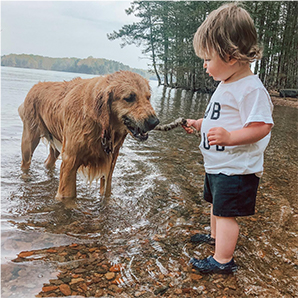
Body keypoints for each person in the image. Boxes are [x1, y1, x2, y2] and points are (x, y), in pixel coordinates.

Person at [183, 3, 274, 274]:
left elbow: (262, 127)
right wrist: (201, 124)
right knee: (216, 206)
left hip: (237, 168)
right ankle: (215, 239)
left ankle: (222, 260)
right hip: (219, 165)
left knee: (226, 213)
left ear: (230, 56)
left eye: (208, 59)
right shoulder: (227, 84)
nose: (205, 65)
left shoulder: (251, 89)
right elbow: (220, 118)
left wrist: (231, 137)